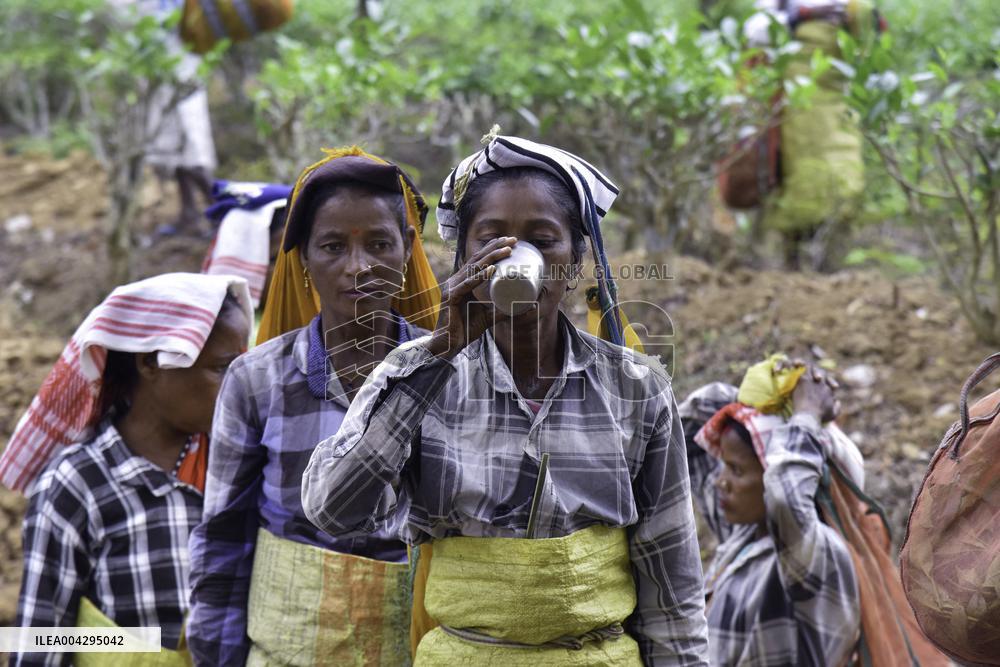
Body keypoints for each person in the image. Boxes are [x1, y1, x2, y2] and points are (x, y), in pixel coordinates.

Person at [302, 134, 710, 665]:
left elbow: (671, 582)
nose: (516, 257)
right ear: (464, 259)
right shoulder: (414, 373)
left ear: (575, 261)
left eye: (543, 240)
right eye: (492, 239)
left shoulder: (635, 387)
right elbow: (334, 510)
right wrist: (437, 358)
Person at [186, 147, 441, 666]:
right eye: (332, 246)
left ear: (407, 250)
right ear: (302, 257)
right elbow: (223, 540)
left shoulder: (449, 371)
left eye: (378, 244)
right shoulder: (256, 381)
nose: (358, 267)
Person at [2, 273, 252, 666]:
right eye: (222, 368)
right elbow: (43, 640)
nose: (240, 386)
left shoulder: (238, 466)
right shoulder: (77, 486)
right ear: (150, 362)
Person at [679, 364, 861, 666]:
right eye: (724, 465)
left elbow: (785, 499)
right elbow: (685, 429)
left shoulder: (816, 558)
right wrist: (774, 394)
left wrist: (806, 414)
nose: (720, 481)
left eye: (736, 470)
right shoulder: (743, 537)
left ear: (773, 473)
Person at [743, 0, 881, 269]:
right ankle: (790, 261)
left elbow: (871, 40)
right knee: (798, 178)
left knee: (844, 178)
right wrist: (799, 16)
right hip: (795, 104)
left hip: (837, 103)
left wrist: (858, 15)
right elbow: (756, 33)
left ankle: (831, 263)